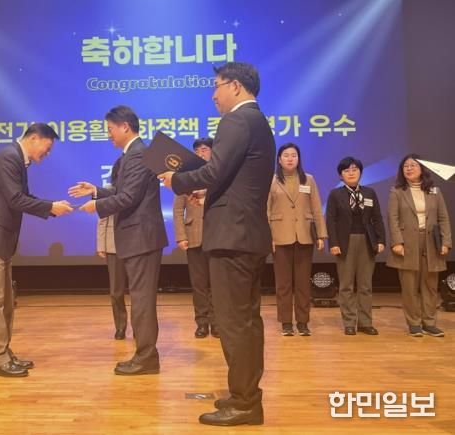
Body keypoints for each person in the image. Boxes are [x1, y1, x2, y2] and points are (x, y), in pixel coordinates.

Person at [159, 62, 275, 426]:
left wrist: (176, 180)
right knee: (245, 322)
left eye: (217, 86)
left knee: (235, 323)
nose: (213, 95)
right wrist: (206, 193)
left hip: (232, 238)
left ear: (236, 86)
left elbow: (214, 171)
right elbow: (233, 180)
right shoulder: (257, 121)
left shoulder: (236, 120)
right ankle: (244, 396)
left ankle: (245, 403)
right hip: (246, 234)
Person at [0, 123, 73, 378]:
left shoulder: (16, 159)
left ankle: (4, 352)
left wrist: (50, 206)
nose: (47, 153)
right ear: (34, 138)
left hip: (0, 239)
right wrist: (50, 207)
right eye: (47, 147)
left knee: (5, 301)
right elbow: (15, 199)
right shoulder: (9, 157)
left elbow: (22, 196)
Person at [69, 105, 168, 376]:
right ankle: (145, 355)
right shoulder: (132, 154)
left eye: (110, 129)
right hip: (138, 237)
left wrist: (97, 205)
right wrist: (96, 191)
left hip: (141, 237)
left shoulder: (137, 154)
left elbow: (128, 198)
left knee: (142, 301)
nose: (108, 134)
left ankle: (146, 358)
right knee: (140, 300)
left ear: (125, 126)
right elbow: (124, 191)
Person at [386, 154, 451, 337]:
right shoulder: (397, 191)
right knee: (410, 286)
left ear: (422, 169)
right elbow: (393, 219)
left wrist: (446, 242)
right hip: (407, 243)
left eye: (413, 165)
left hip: (431, 242)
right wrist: (397, 242)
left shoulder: (434, 191)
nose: (409, 168)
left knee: (430, 285)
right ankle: (414, 323)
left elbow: (443, 218)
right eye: (405, 166)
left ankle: (429, 323)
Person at [267, 143, 327, 336]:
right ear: (279, 159)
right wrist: (268, 237)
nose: (290, 158)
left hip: (304, 236)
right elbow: (266, 210)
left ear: (298, 159)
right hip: (280, 236)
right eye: (286, 155)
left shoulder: (308, 179)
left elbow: (317, 208)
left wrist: (321, 234)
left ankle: (302, 322)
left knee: (302, 283)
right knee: (283, 284)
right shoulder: (271, 180)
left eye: (294, 155)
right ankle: (286, 322)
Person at [325, 157, 385, 336]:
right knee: (346, 285)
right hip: (345, 243)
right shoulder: (335, 194)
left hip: (367, 241)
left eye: (354, 169)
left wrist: (381, 240)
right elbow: (331, 220)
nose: (351, 173)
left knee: (365, 285)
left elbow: (377, 218)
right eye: (346, 170)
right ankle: (349, 322)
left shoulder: (369, 193)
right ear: (340, 175)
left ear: (360, 172)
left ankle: (365, 322)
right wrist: (333, 243)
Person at [172, 137, 217, 338]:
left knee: (217, 283)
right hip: (193, 236)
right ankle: (202, 323)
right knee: (199, 284)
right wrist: (181, 236)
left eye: (204, 149)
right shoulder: (187, 176)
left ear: (213, 152)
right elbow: (177, 210)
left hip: (217, 235)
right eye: (197, 150)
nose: (200, 153)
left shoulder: (219, 173)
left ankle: (217, 322)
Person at [96, 159, 128, 340]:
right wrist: (101, 245)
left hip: (134, 244)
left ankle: (140, 327)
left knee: (138, 291)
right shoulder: (107, 190)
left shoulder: (136, 187)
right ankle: (120, 326)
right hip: (112, 244)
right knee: (116, 291)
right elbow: (102, 219)